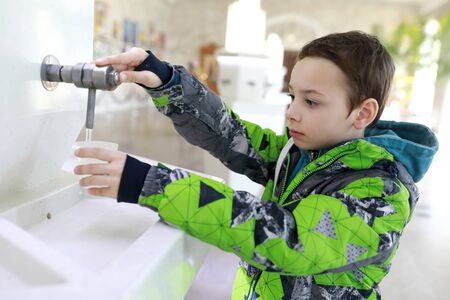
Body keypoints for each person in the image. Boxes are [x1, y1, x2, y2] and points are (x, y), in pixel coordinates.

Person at [74, 31, 438, 299]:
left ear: (363, 112)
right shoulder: (300, 154)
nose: (291, 111)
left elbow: (290, 238)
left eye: (312, 102)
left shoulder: (381, 193)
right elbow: (233, 135)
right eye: (292, 95)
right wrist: (164, 78)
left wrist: (153, 184)